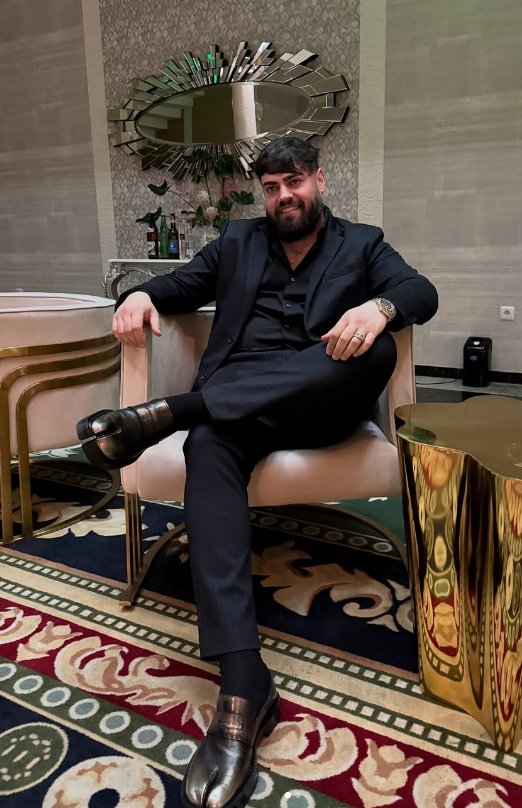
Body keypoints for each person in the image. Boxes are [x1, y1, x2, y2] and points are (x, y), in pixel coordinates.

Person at [77, 137, 438, 808]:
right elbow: (179, 285)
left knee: (373, 352)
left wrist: (379, 308)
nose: (283, 197)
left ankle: (170, 412)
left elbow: (420, 290)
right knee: (207, 448)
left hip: (320, 404)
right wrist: (138, 294)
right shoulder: (238, 242)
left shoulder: (362, 243)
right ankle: (245, 682)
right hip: (237, 409)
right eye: (271, 188)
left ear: (319, 180)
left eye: (293, 182)